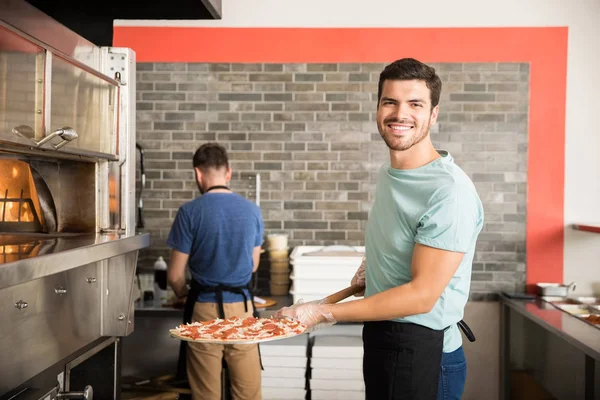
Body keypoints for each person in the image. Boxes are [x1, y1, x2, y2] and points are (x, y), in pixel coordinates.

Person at [277, 58, 484, 400]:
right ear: (378, 108)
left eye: (415, 104)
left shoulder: (449, 192)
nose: (400, 114)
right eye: (390, 101)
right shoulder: (391, 175)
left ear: (433, 114)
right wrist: (374, 270)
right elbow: (403, 249)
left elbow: (421, 295)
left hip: (425, 353)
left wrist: (321, 312)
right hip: (385, 339)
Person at [166, 142, 264, 400]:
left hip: (204, 311)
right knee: (248, 393)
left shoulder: (189, 212)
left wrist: (183, 294)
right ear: (228, 172)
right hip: (243, 309)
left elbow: (175, 275)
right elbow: (253, 265)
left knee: (206, 395)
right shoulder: (252, 211)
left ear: (198, 174)